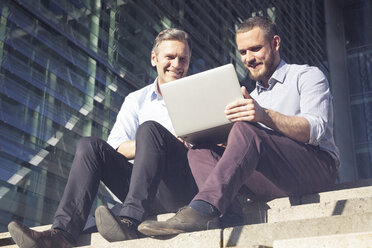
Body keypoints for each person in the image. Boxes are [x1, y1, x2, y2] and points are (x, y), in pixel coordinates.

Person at [137, 16, 340, 236]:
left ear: (276, 43)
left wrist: (264, 116)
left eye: (255, 49)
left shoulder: (307, 76)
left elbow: (316, 130)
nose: (249, 58)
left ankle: (203, 208)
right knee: (200, 150)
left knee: (246, 129)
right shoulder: (248, 96)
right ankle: (227, 215)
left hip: (317, 167)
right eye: (243, 52)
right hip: (274, 177)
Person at [8, 28, 198, 248]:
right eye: (170, 57)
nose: (177, 64)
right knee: (91, 145)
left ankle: (129, 220)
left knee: (149, 129)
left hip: (181, 191)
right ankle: (62, 233)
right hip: (142, 190)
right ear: (154, 59)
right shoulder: (137, 100)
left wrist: (168, 141)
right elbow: (116, 146)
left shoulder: (199, 95)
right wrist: (154, 145)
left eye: (183, 58)